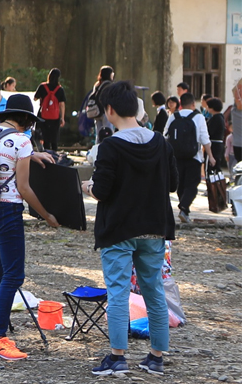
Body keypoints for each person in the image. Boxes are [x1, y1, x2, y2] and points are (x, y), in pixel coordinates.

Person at [79, 81, 175, 376]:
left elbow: (103, 190)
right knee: (154, 291)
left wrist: (88, 187)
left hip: (119, 230)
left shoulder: (111, 146)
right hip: (155, 229)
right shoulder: (160, 142)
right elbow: (172, 184)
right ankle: (156, 357)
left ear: (109, 110)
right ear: (135, 107)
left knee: (118, 292)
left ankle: (118, 357)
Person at [0, 93, 60, 361]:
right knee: (13, 275)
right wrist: (46, 214)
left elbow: (4, 160)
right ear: (26, 119)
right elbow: (24, 188)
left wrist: (31, 154)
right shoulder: (22, 141)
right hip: (8, 210)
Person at [164, 92, 213, 222]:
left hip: (176, 157)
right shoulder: (199, 117)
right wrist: (211, 156)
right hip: (194, 157)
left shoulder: (173, 116)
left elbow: (165, 136)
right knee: (192, 184)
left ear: (180, 104)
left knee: (181, 184)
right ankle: (184, 207)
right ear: (193, 104)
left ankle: (184, 210)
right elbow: (204, 138)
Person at [32, 68, 66, 151]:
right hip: (55, 116)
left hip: (43, 115)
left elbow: (35, 98)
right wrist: (62, 118)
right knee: (54, 138)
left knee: (44, 137)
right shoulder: (60, 89)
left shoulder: (42, 87)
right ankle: (54, 156)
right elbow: (62, 104)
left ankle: (46, 155)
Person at [208, 97, 227, 170]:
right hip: (218, 144)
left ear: (212, 108)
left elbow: (210, 132)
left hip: (214, 144)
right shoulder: (220, 117)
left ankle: (215, 180)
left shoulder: (216, 118)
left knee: (213, 165)